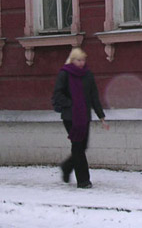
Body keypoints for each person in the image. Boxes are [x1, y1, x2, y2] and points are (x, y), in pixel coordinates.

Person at [52, 48, 109, 188]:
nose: (81, 63)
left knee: (82, 146)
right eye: (78, 60)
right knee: (78, 147)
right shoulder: (64, 74)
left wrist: (101, 117)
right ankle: (83, 181)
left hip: (84, 116)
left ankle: (66, 167)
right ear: (72, 60)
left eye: (83, 60)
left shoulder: (87, 75)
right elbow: (57, 95)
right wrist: (72, 104)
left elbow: (94, 97)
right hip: (70, 117)